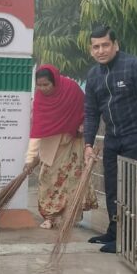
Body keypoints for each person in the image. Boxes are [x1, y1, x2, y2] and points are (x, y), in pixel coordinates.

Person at [83, 26, 137, 253]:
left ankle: (128, 239)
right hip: (112, 138)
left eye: (105, 45)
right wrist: (88, 144)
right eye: (96, 47)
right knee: (112, 187)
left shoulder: (134, 65)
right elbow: (91, 112)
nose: (101, 50)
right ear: (91, 50)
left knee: (131, 187)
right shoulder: (93, 75)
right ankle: (115, 231)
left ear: (116, 45)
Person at [26, 65, 96, 228]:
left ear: (55, 81)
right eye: (39, 85)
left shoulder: (71, 89)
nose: (43, 88)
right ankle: (49, 216)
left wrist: (83, 125)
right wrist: (30, 159)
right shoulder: (40, 99)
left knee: (72, 179)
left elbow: (86, 110)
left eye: (46, 84)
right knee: (47, 179)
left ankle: (69, 216)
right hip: (51, 146)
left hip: (72, 142)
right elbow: (37, 129)